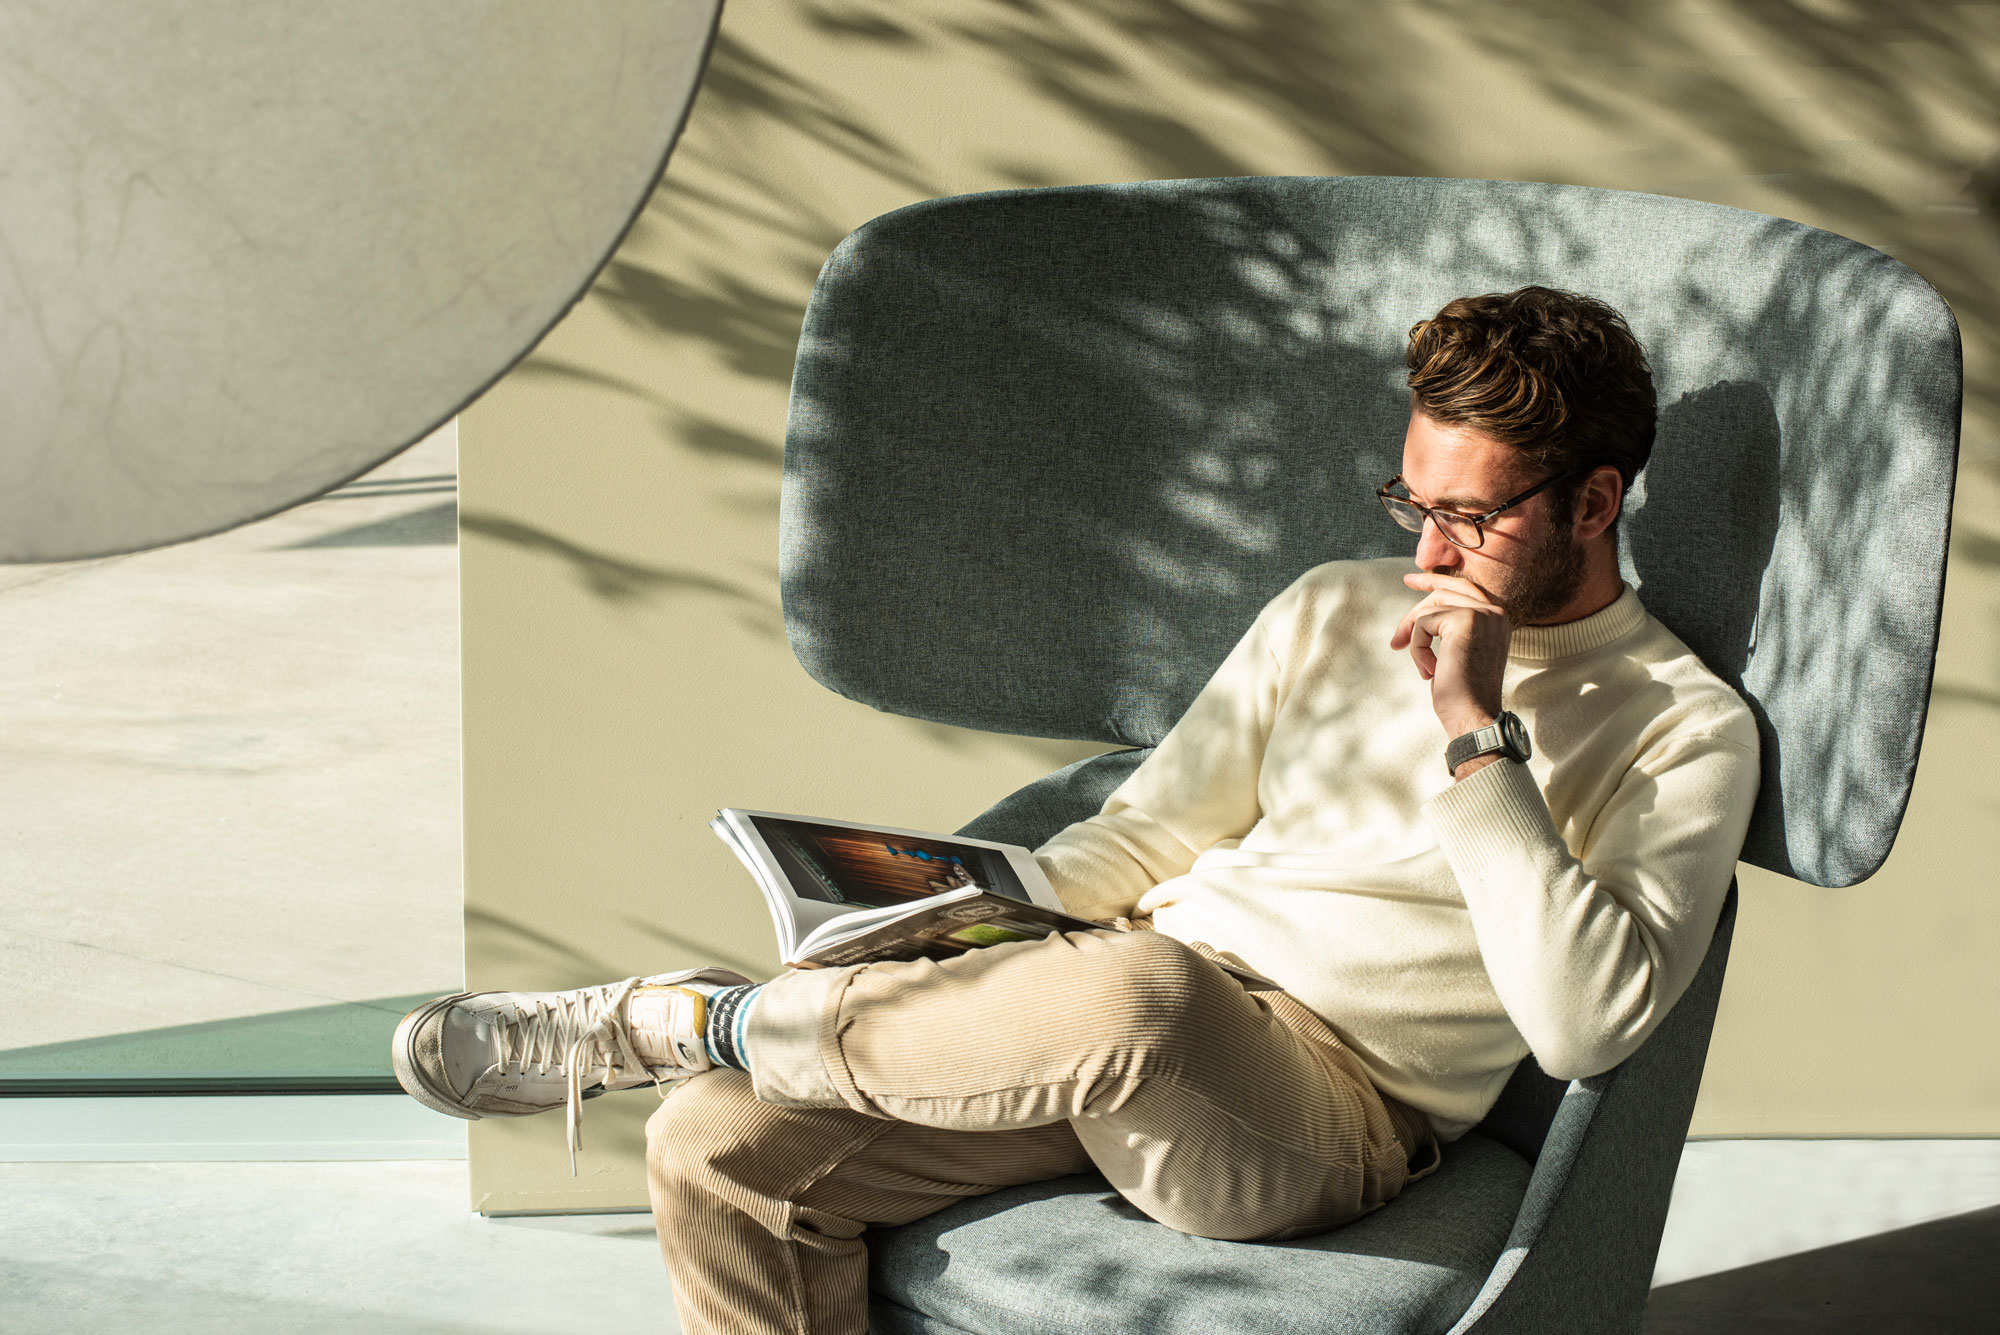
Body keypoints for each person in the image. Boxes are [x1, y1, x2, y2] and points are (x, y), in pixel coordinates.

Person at [391, 286, 1761, 1334]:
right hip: (1104, 1014)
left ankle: (699, 1021)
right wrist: (979, 904)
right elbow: (1147, 835)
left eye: (1473, 518)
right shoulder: (1333, 608)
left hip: (1317, 1112)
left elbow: (1588, 1024)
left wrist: (1476, 735)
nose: (1428, 551)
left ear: (1595, 502)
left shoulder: (1681, 724)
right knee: (714, 1143)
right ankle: (731, 1041)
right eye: (1413, 501)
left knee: (1145, 992)